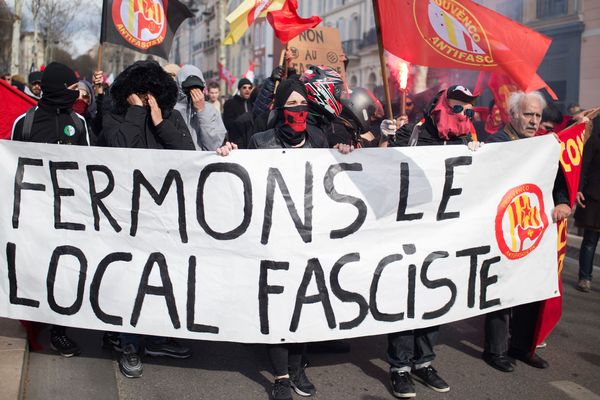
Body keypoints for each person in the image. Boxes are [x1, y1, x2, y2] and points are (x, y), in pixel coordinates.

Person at [216, 78, 351, 400]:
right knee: (276, 305)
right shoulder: (260, 141)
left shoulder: (318, 139)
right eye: (291, 106)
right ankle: (280, 376)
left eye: (302, 105)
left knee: (303, 305)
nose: (297, 111)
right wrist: (227, 153)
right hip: (271, 237)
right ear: (279, 109)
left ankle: (298, 367)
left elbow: (334, 180)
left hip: (308, 239)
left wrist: (342, 153)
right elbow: (241, 179)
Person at [378, 85, 480, 398]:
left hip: (441, 237)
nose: (463, 114)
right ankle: (400, 367)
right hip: (407, 235)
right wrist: (384, 137)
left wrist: (481, 157)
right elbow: (377, 169)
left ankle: (424, 362)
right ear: (439, 107)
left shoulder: (465, 142)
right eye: (457, 108)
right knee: (405, 299)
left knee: (432, 299)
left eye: (468, 110)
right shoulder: (410, 134)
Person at [100, 60, 194, 378]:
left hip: (163, 215)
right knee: (129, 279)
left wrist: (159, 121)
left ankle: (154, 336)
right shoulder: (114, 116)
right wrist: (136, 114)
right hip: (126, 216)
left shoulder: (172, 117)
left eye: (151, 93)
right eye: (139, 93)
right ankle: (129, 345)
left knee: (158, 279)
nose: (145, 97)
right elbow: (118, 149)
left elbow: (189, 154)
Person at [483, 91, 571, 372]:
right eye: (527, 114)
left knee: (531, 288)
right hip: (501, 230)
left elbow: (559, 179)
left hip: (534, 228)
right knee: (502, 289)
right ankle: (495, 350)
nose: (534, 121)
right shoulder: (495, 144)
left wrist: (563, 201)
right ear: (511, 115)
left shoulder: (544, 146)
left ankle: (521, 347)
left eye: (537, 116)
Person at [11, 62, 90, 358]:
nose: (76, 94)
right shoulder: (25, 123)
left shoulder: (79, 123)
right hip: (34, 215)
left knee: (65, 272)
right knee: (35, 268)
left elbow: (92, 167)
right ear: (56, 88)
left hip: (68, 214)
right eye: (71, 89)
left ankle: (60, 331)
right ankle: (34, 321)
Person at [574, 117, 600, 292]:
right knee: (590, 240)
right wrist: (578, 188)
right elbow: (583, 166)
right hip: (593, 197)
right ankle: (585, 277)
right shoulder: (595, 139)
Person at [175, 64, 226, 150]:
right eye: (189, 87)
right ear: (179, 86)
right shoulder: (171, 109)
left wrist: (202, 111)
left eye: (198, 87)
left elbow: (214, 146)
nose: (194, 91)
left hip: (204, 161)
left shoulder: (211, 110)